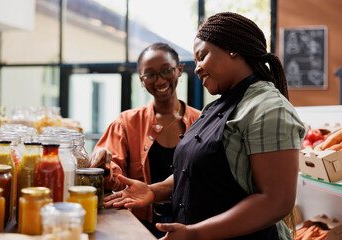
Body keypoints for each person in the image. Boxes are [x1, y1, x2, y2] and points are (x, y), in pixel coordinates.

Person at [104, 12, 306, 240]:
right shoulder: (217, 107)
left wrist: (195, 233)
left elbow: (276, 201)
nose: (197, 67)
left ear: (232, 49)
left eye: (202, 56)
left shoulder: (268, 109)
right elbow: (194, 172)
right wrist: (153, 190)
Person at [89, 42, 201, 237]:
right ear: (141, 80)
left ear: (179, 70)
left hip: (192, 223)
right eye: (150, 74)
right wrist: (104, 166)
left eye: (166, 70)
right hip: (140, 223)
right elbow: (112, 177)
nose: (159, 81)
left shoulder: (202, 121)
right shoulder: (126, 123)